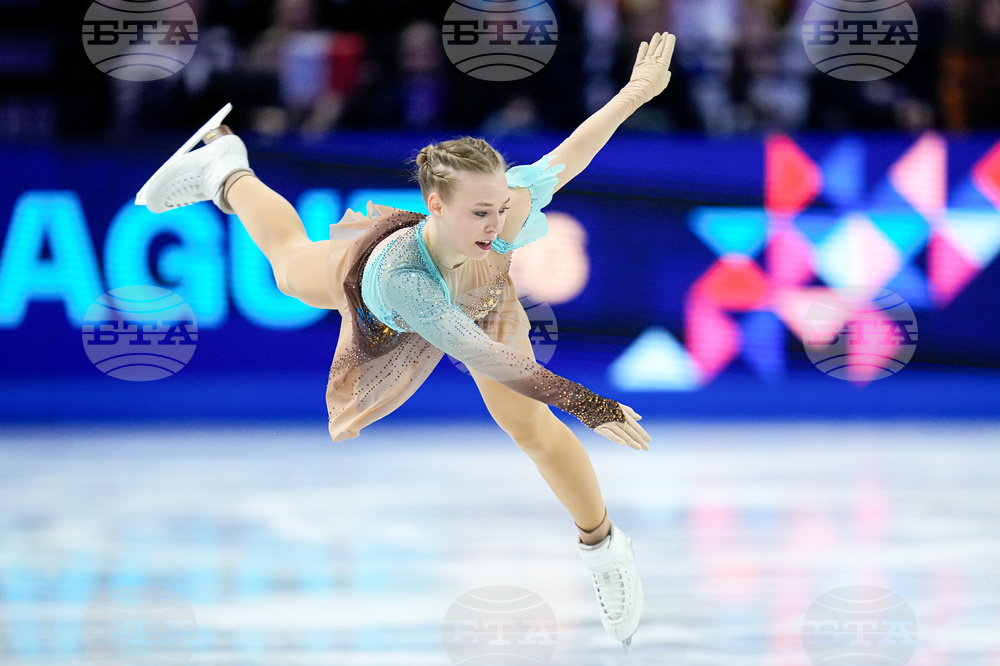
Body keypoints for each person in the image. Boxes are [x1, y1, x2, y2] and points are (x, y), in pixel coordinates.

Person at [139, 31, 676, 652]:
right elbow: (480, 355)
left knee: (531, 430)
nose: (496, 224)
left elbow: (570, 156)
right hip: (390, 301)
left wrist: (635, 93)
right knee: (289, 267)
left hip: (487, 303)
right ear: (435, 205)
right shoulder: (401, 278)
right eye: (479, 213)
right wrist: (592, 404)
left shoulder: (504, 210)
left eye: (501, 208)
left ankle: (605, 547)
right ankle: (225, 171)